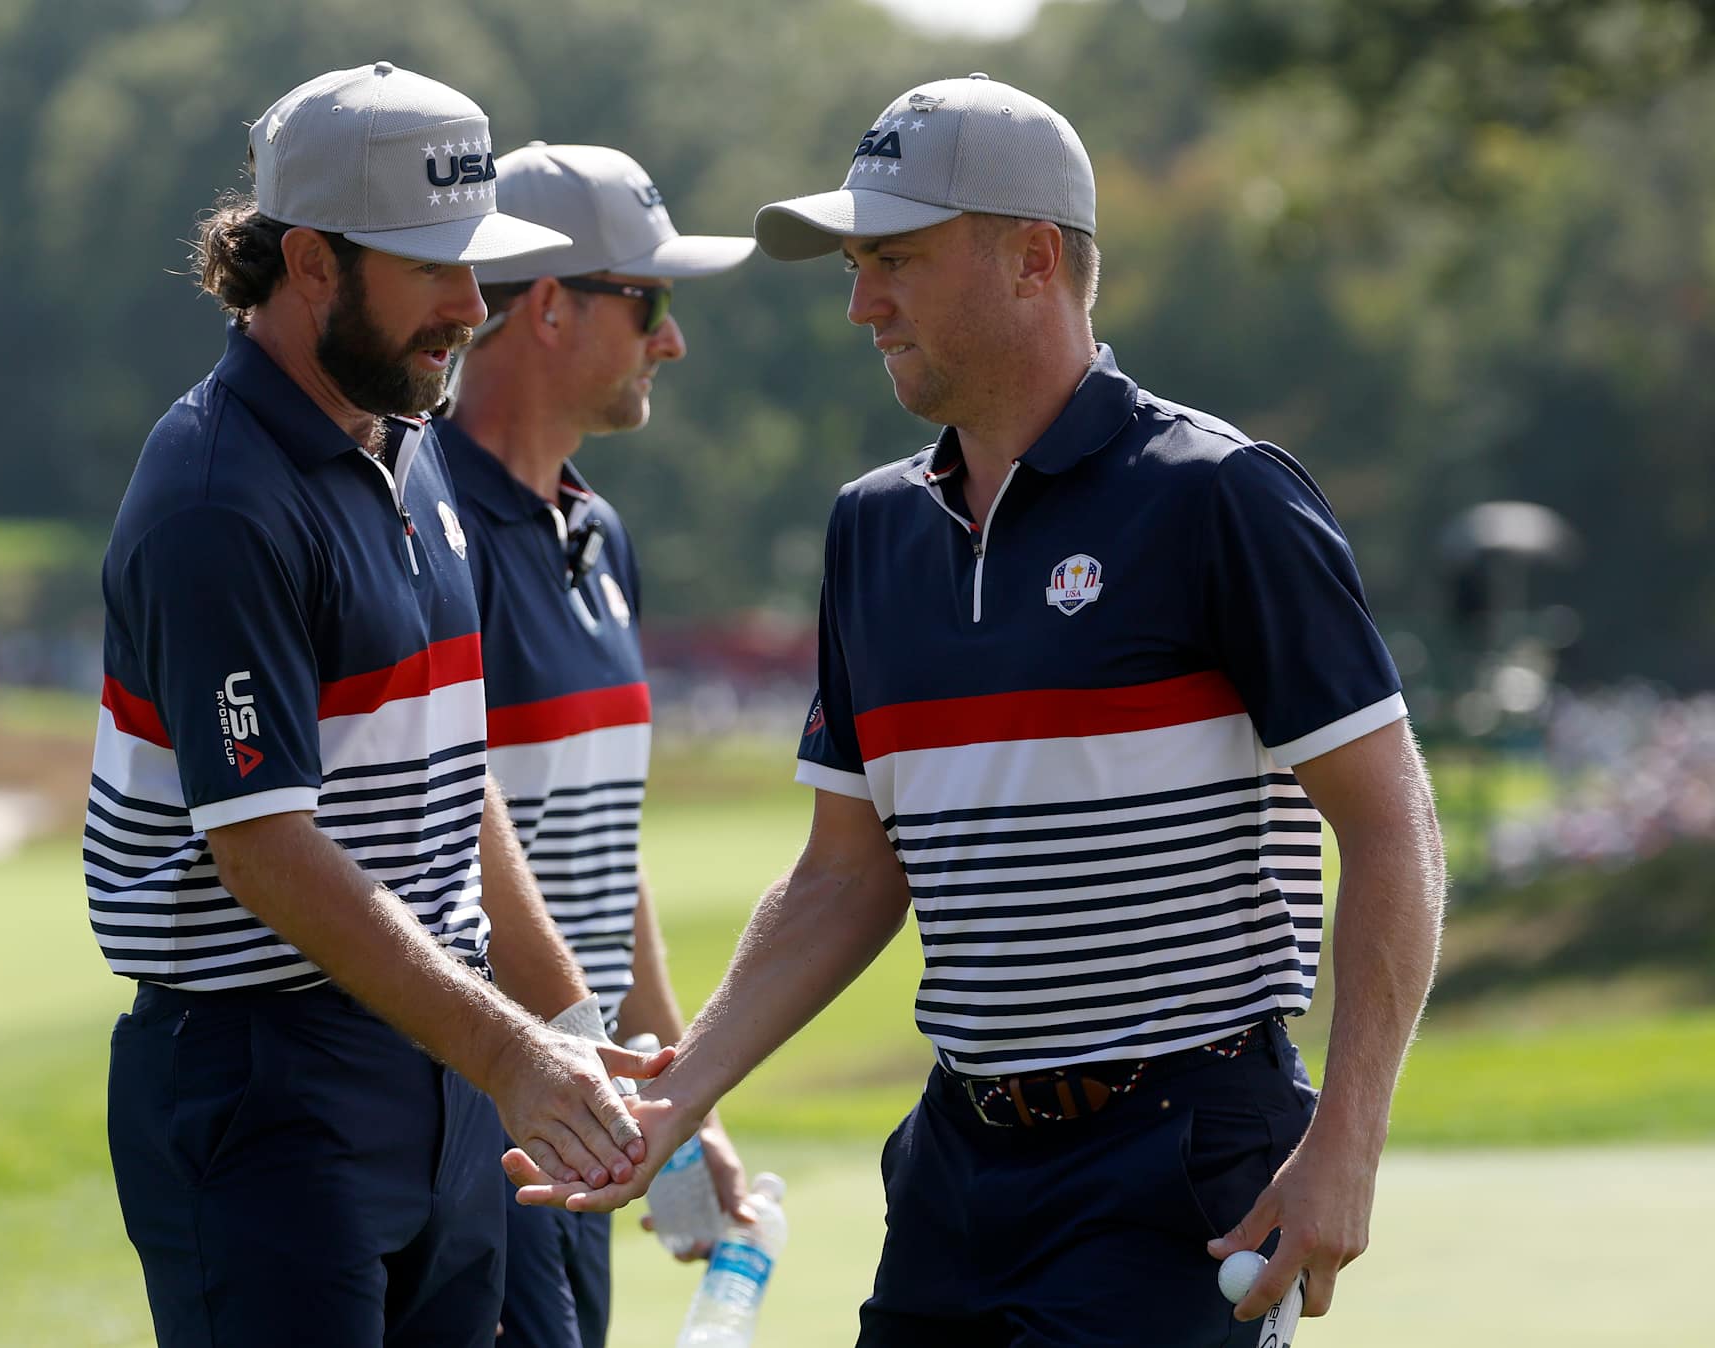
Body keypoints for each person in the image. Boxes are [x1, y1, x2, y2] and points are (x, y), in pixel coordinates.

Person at [505, 74, 1447, 1347]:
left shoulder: (1221, 496)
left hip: (1181, 1160)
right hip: (958, 1162)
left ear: (1033, 260)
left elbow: (1394, 828)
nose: (861, 301)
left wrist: (1350, 1137)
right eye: (855, 264)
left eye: (894, 258)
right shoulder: (872, 529)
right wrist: (680, 1094)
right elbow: (846, 874)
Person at [84, 62, 671, 1348]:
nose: (474, 305)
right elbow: (265, 851)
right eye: (434, 269)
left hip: (433, 1061)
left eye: (480, 266)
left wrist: (562, 1028)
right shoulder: (216, 496)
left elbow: (458, 782)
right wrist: (513, 1052)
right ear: (309, 263)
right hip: (263, 1086)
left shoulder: (408, 447)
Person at [443, 142, 757, 1348]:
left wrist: (672, 1092)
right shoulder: (431, 524)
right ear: (551, 307)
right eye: (652, 304)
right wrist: (596, 1068)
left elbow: (600, 847)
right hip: (486, 1113)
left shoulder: (600, 534)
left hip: (580, 1101)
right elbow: (468, 827)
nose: (671, 341)